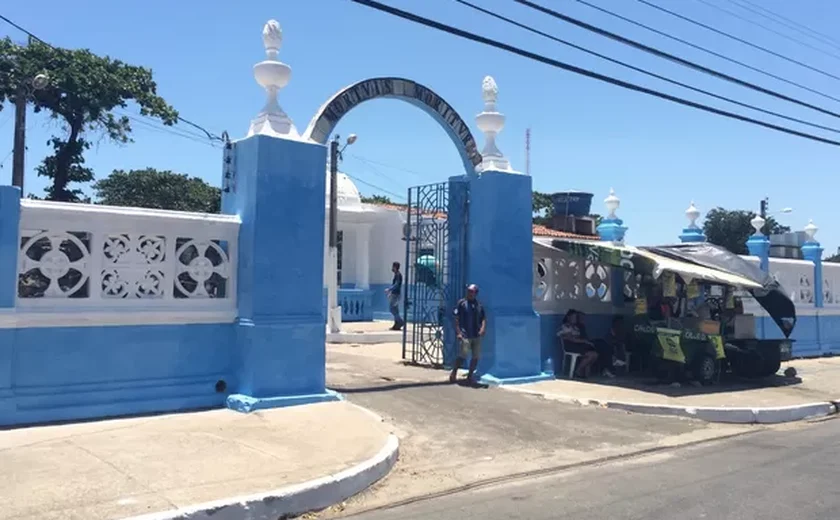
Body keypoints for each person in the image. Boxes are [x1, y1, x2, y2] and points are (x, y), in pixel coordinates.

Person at [450, 284, 486, 385]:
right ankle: (454, 372)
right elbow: (456, 319)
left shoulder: (479, 305)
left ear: (476, 293)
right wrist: (458, 332)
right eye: (469, 291)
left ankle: (470, 376)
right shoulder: (462, 303)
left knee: (475, 357)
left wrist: (483, 328)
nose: (469, 293)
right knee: (463, 355)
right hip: (465, 334)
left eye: (472, 292)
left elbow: (483, 318)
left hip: (476, 334)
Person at [558, 310, 599, 378]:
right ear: (568, 317)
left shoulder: (576, 327)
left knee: (595, 355)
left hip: (579, 345)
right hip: (571, 346)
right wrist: (585, 341)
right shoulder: (566, 326)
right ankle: (578, 370)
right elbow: (571, 339)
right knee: (591, 355)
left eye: (576, 317)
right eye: (573, 317)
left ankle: (584, 369)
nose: (575, 319)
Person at [384, 261, 404, 331]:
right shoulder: (396, 274)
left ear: (395, 267)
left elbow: (396, 284)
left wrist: (389, 289)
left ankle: (400, 321)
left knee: (392, 309)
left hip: (396, 294)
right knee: (395, 309)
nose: (392, 268)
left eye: (393, 266)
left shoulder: (398, 275)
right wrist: (390, 292)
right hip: (395, 294)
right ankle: (396, 325)